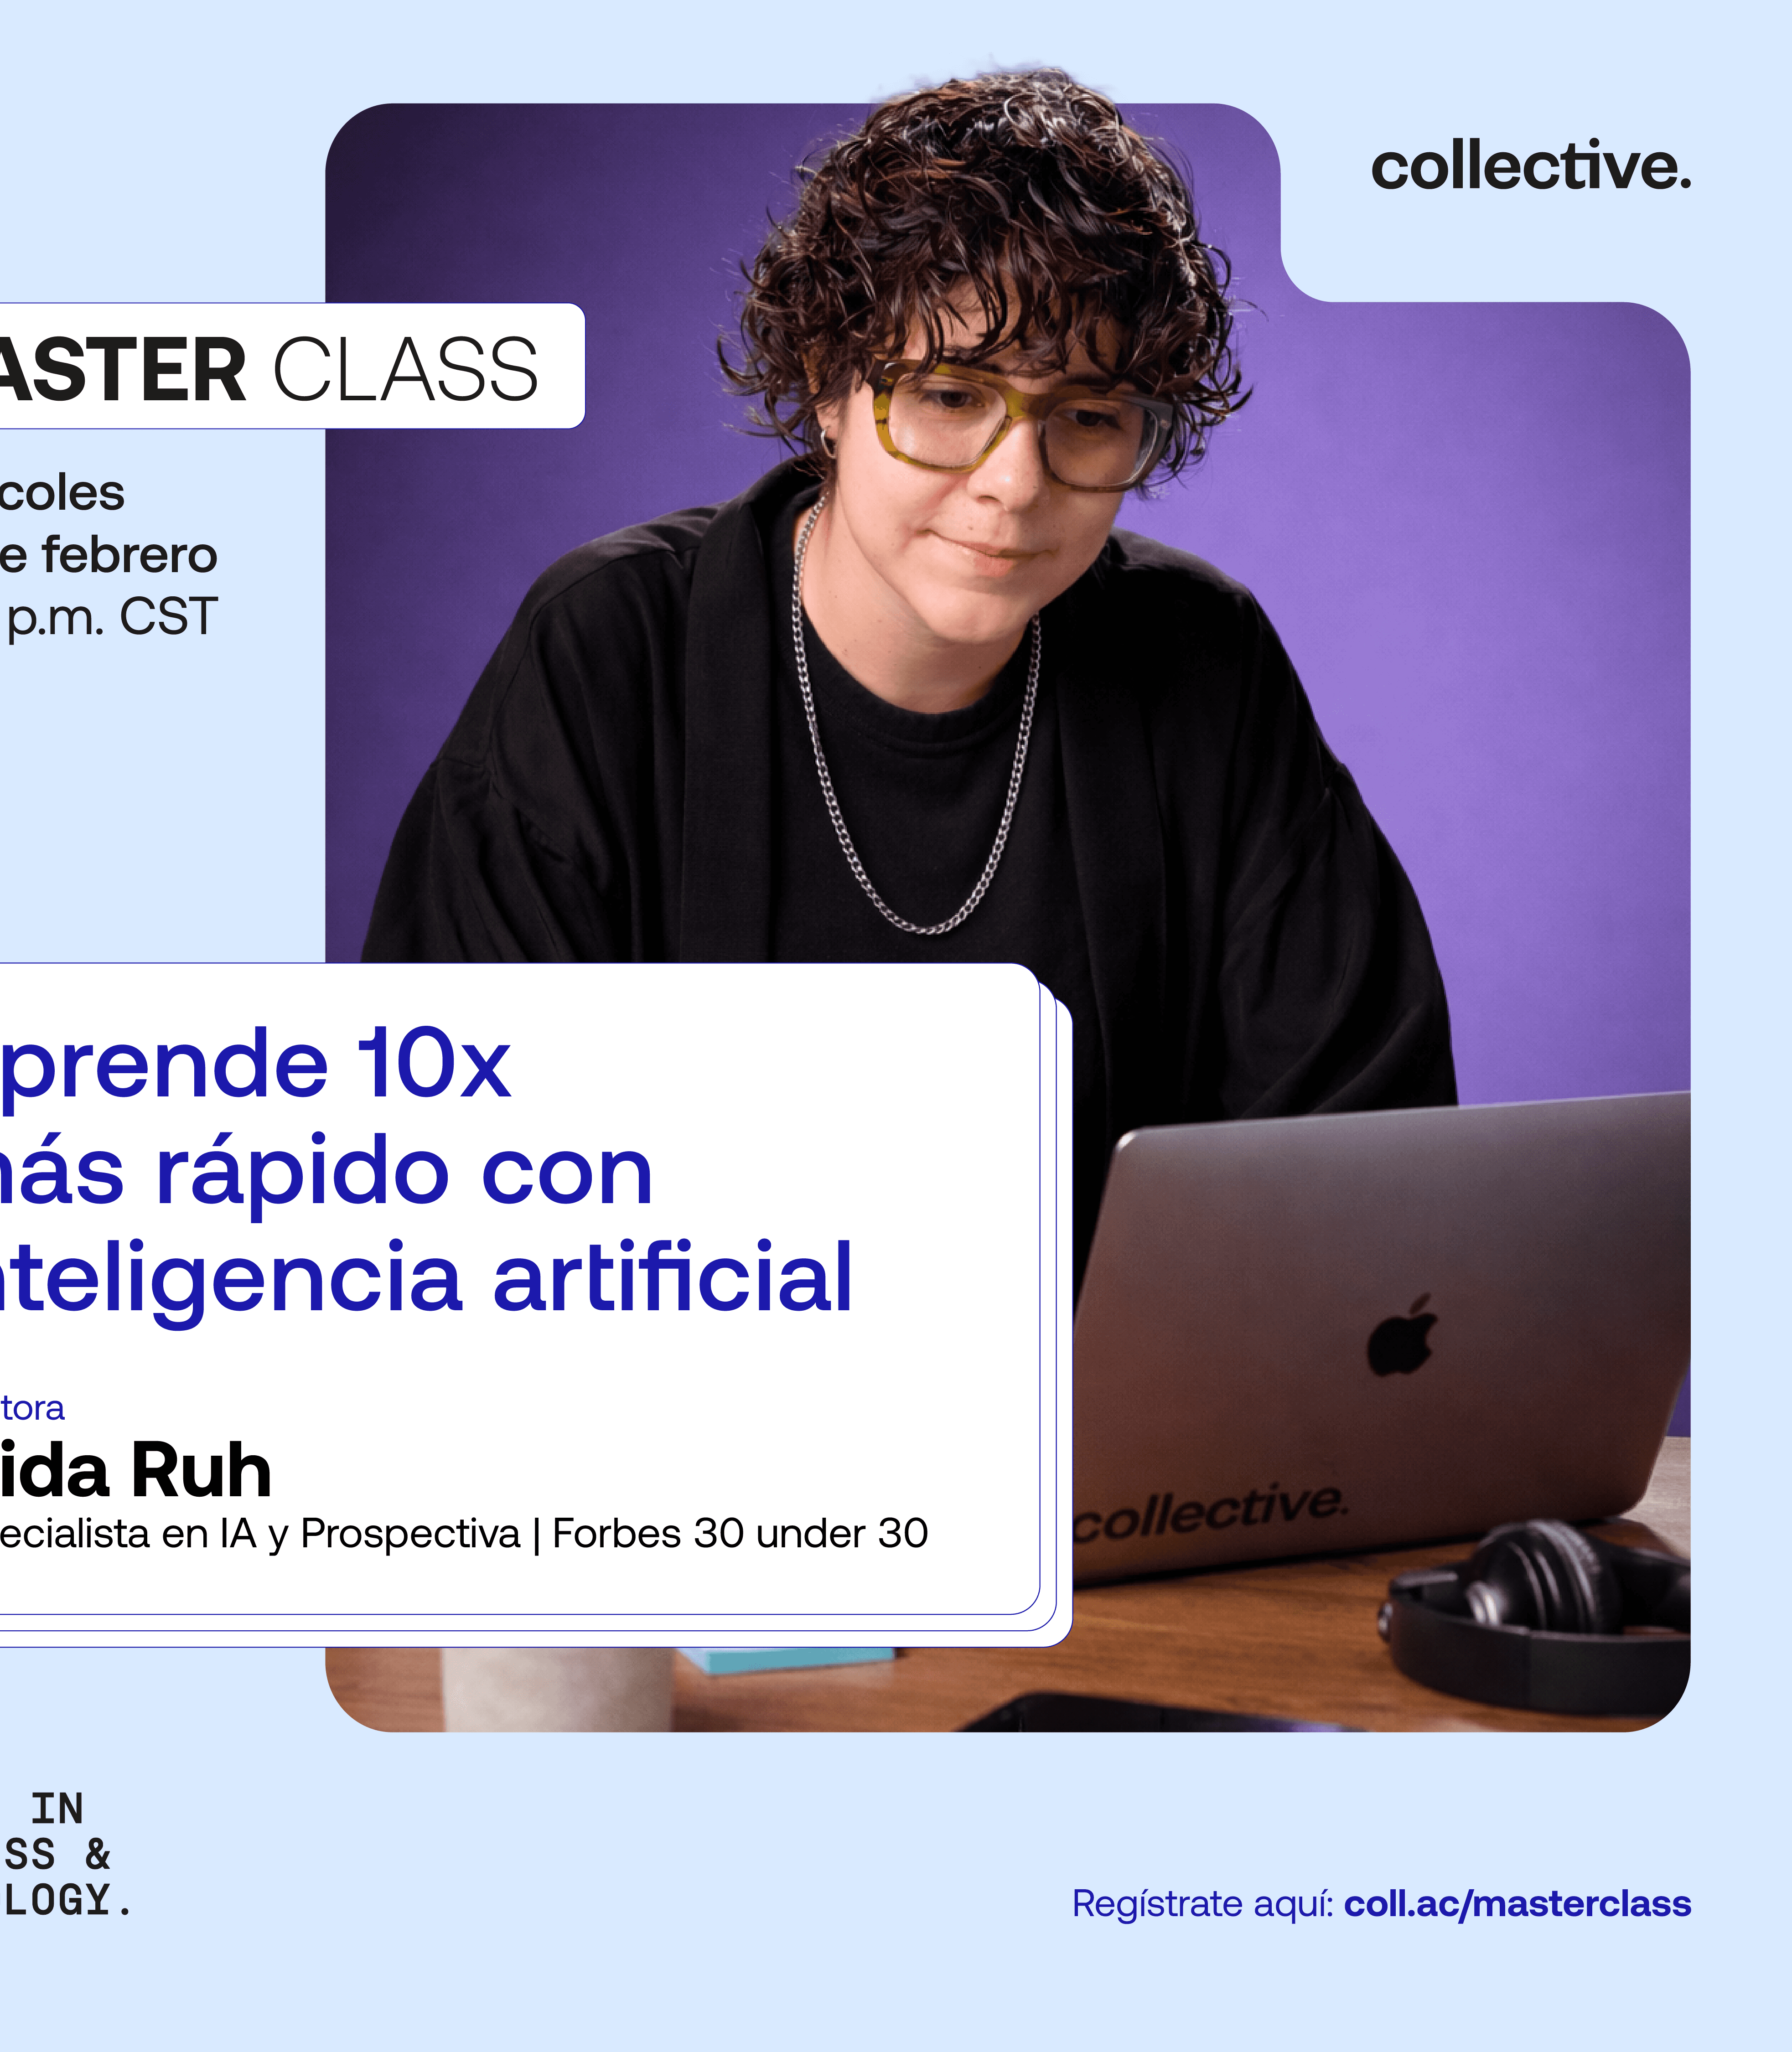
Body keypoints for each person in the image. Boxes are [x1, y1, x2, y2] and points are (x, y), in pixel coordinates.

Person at [363, 71, 1456, 1726]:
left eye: (1088, 416)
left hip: (1115, 1575)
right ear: (826, 384)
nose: (1015, 484)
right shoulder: (610, 654)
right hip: (688, 1570)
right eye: (946, 395)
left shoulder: (1198, 666)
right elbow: (442, 1193)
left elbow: (1362, 1164)